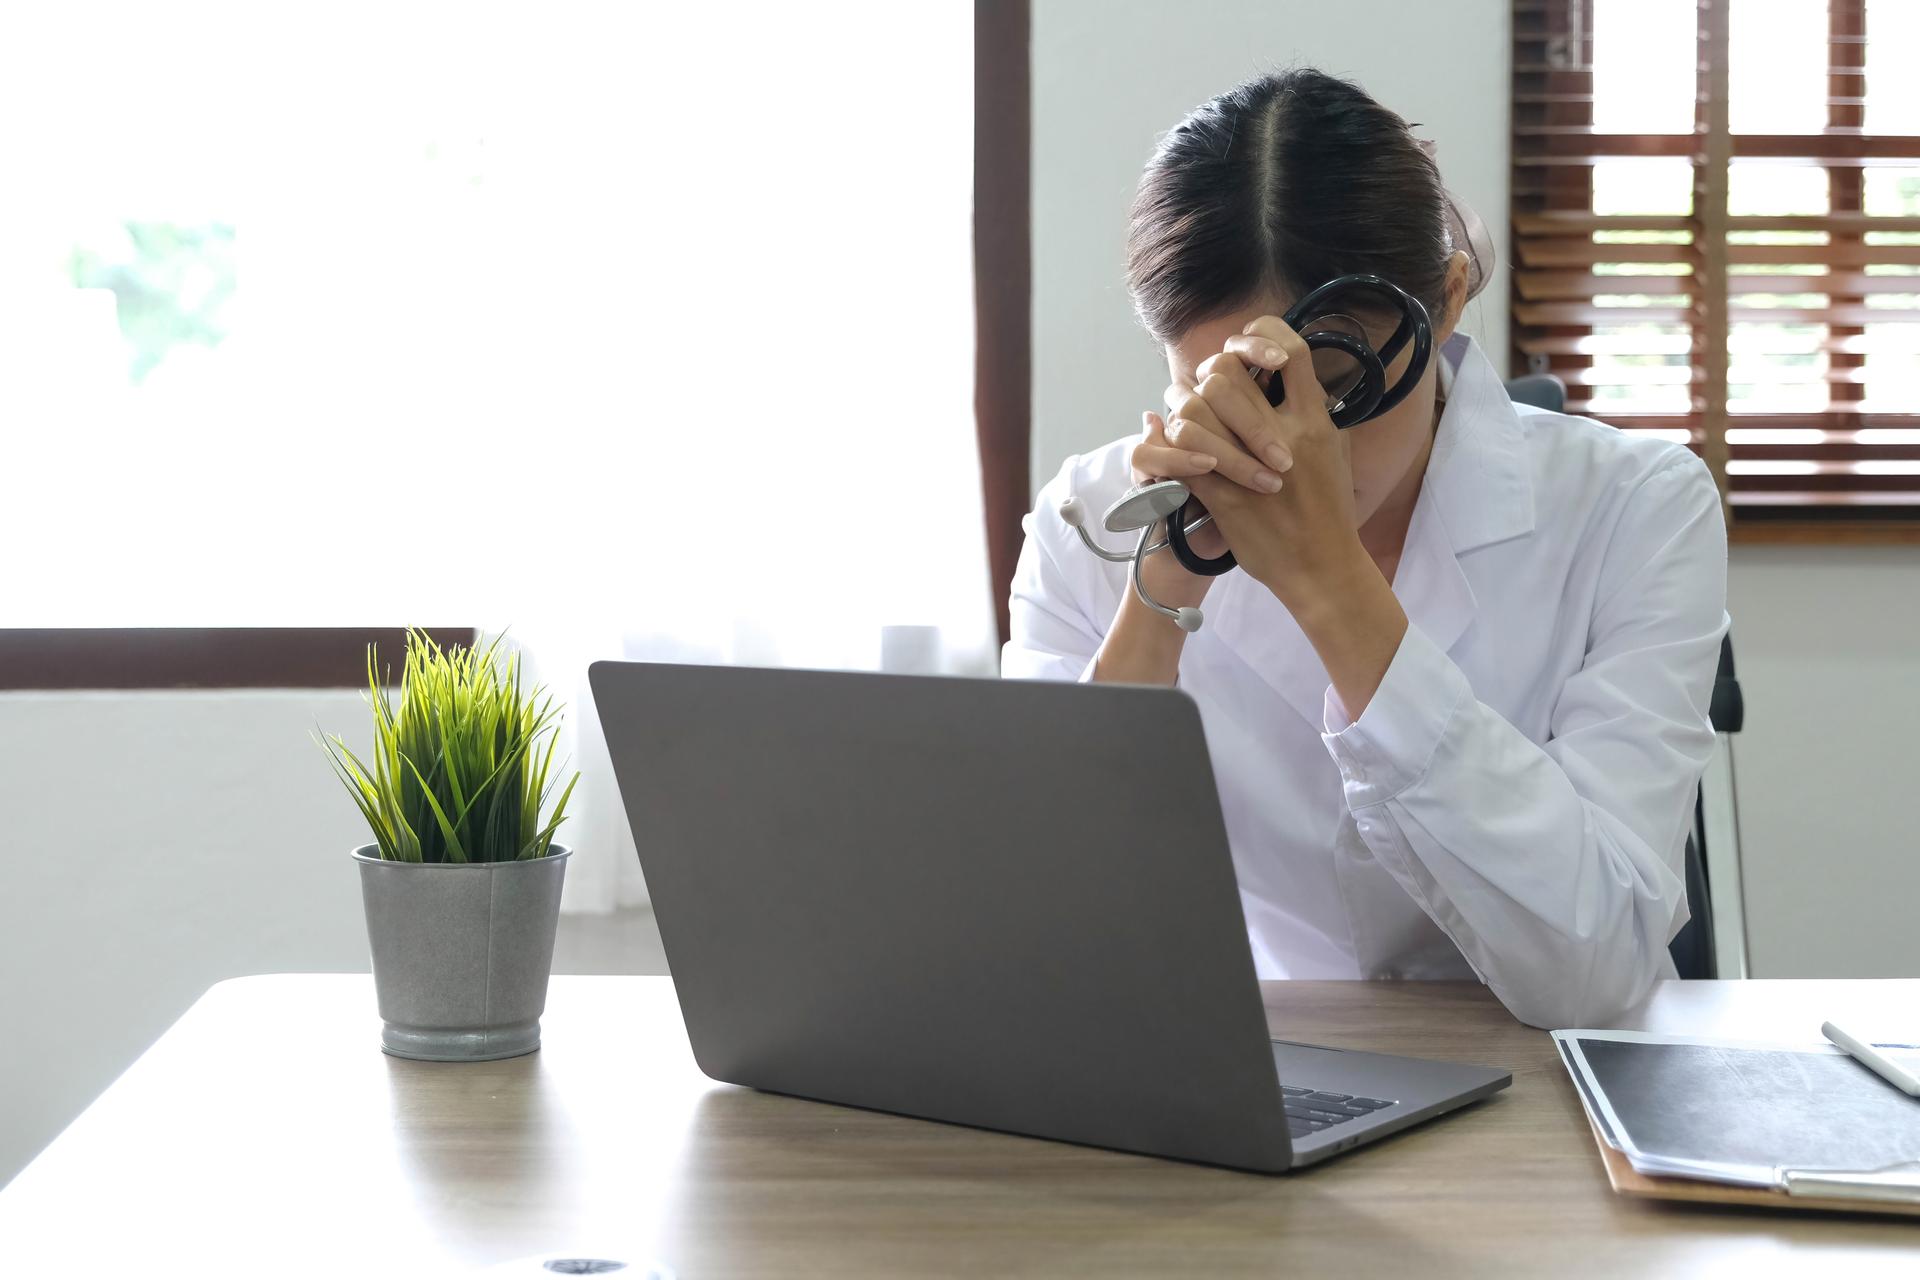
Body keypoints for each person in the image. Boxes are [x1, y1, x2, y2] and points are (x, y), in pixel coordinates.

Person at [1002, 68, 1729, 1029]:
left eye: (1335, 382)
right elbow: (1037, 935)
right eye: (1231, 387)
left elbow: (1594, 970)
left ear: (1452, 297)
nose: (1293, 444)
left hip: (1548, 1089)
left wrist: (1332, 585)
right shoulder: (1093, 519)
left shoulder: (1635, 507)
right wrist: (1164, 590)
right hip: (1252, 1063)